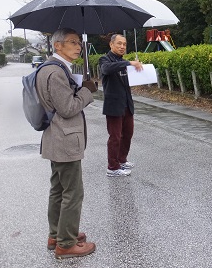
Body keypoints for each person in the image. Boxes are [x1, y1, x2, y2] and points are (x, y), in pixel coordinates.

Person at [36, 28, 98, 258]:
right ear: (58, 45)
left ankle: (57, 234)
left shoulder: (51, 68)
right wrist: (86, 92)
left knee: (59, 190)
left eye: (78, 42)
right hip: (65, 140)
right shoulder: (56, 72)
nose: (78, 46)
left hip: (55, 138)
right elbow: (68, 108)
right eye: (72, 42)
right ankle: (66, 243)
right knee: (73, 192)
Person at [99, 34, 143, 177]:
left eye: (124, 44)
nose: (122, 46)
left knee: (128, 134)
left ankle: (122, 160)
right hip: (113, 106)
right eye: (119, 43)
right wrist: (129, 63)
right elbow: (106, 69)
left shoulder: (123, 62)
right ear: (111, 45)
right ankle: (112, 167)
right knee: (115, 137)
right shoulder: (105, 60)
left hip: (127, 105)